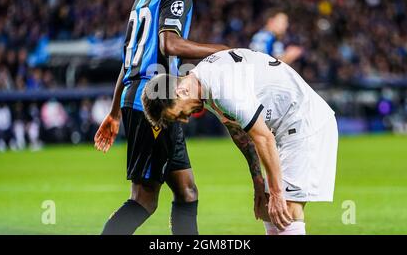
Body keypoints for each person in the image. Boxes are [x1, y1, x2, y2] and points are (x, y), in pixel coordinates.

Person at [93, 0, 263, 235]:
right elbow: (169, 43)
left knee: (187, 191)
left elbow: (128, 57)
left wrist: (115, 111)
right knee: (144, 200)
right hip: (153, 102)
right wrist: (223, 50)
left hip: (151, 99)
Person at [141, 48, 339, 235]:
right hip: (285, 129)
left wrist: (277, 192)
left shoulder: (223, 88)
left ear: (181, 92)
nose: (185, 119)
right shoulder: (203, 81)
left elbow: (263, 137)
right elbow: (238, 130)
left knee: (287, 209)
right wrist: (259, 183)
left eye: (180, 114)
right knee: (268, 210)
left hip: (305, 122)